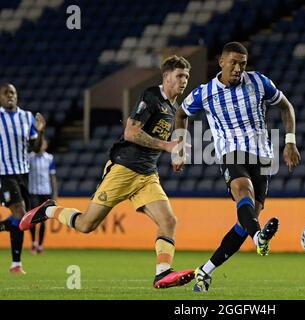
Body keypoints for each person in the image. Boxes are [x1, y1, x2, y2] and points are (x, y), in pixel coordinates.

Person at [20, 55, 195, 288]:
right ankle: (49, 210)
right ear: (166, 77)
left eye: (186, 76)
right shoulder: (152, 96)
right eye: (179, 76)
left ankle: (162, 273)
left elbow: (178, 126)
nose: (184, 81)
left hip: (146, 175)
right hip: (123, 168)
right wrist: (167, 146)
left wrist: (178, 151)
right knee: (85, 225)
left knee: (169, 221)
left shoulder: (173, 106)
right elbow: (131, 133)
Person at [174, 42, 301, 292]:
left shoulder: (259, 82)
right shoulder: (205, 92)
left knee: (247, 219)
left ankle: (205, 271)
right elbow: (181, 113)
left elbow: (286, 107)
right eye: (233, 62)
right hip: (229, 151)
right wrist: (180, 145)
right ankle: (259, 239)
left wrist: (290, 142)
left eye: (242, 63)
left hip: (262, 155)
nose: (238, 68)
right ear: (221, 62)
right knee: (243, 191)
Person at [0, 83, 46, 274]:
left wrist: (41, 130)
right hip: (4, 173)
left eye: (13, 93)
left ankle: (15, 264)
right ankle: (16, 264)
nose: (9, 96)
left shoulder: (27, 117)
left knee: (23, 220)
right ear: (0, 98)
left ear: (17, 97)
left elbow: (35, 148)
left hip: (24, 173)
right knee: (19, 213)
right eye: (5, 93)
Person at [28, 136, 57, 254]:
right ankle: (33, 242)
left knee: (44, 220)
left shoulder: (49, 158)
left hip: (45, 192)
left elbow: (53, 177)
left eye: (43, 143)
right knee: (34, 219)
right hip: (33, 191)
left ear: (46, 146)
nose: (40, 145)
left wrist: (55, 194)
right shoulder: (29, 158)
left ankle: (40, 244)